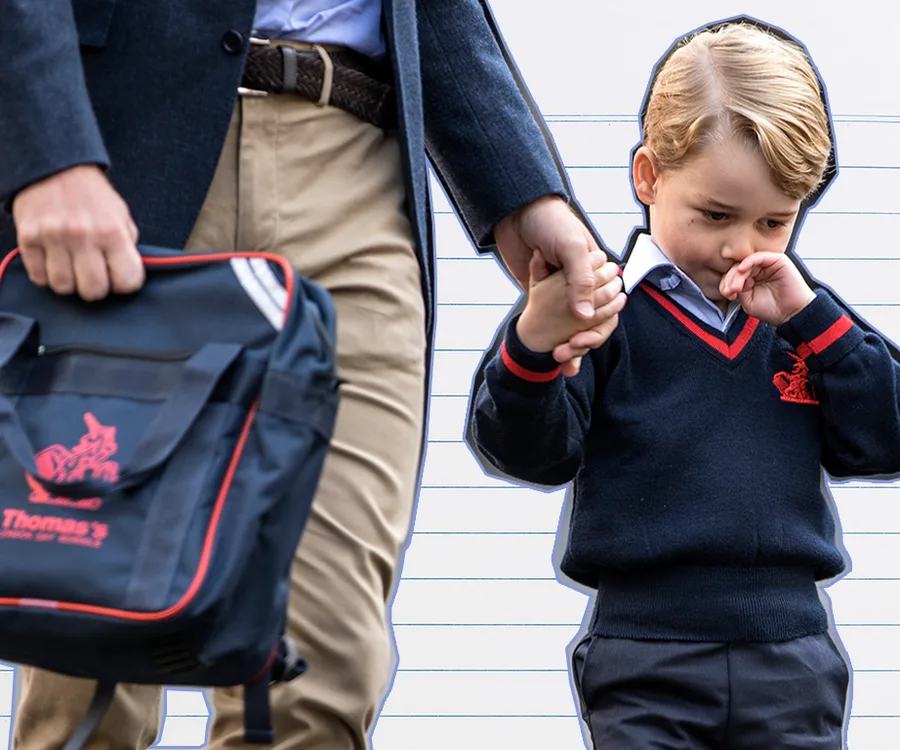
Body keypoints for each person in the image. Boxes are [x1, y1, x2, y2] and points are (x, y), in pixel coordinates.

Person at [0, 1, 623, 749]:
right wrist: (48, 146)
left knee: (320, 675)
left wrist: (521, 188)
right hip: (123, 153)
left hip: (352, 164)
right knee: (88, 684)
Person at [469, 21, 897, 749]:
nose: (743, 247)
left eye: (775, 221)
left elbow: (884, 439)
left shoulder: (805, 323)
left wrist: (812, 320)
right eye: (716, 216)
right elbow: (532, 452)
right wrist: (534, 345)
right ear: (648, 178)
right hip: (644, 657)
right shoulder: (603, 313)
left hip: (791, 657)